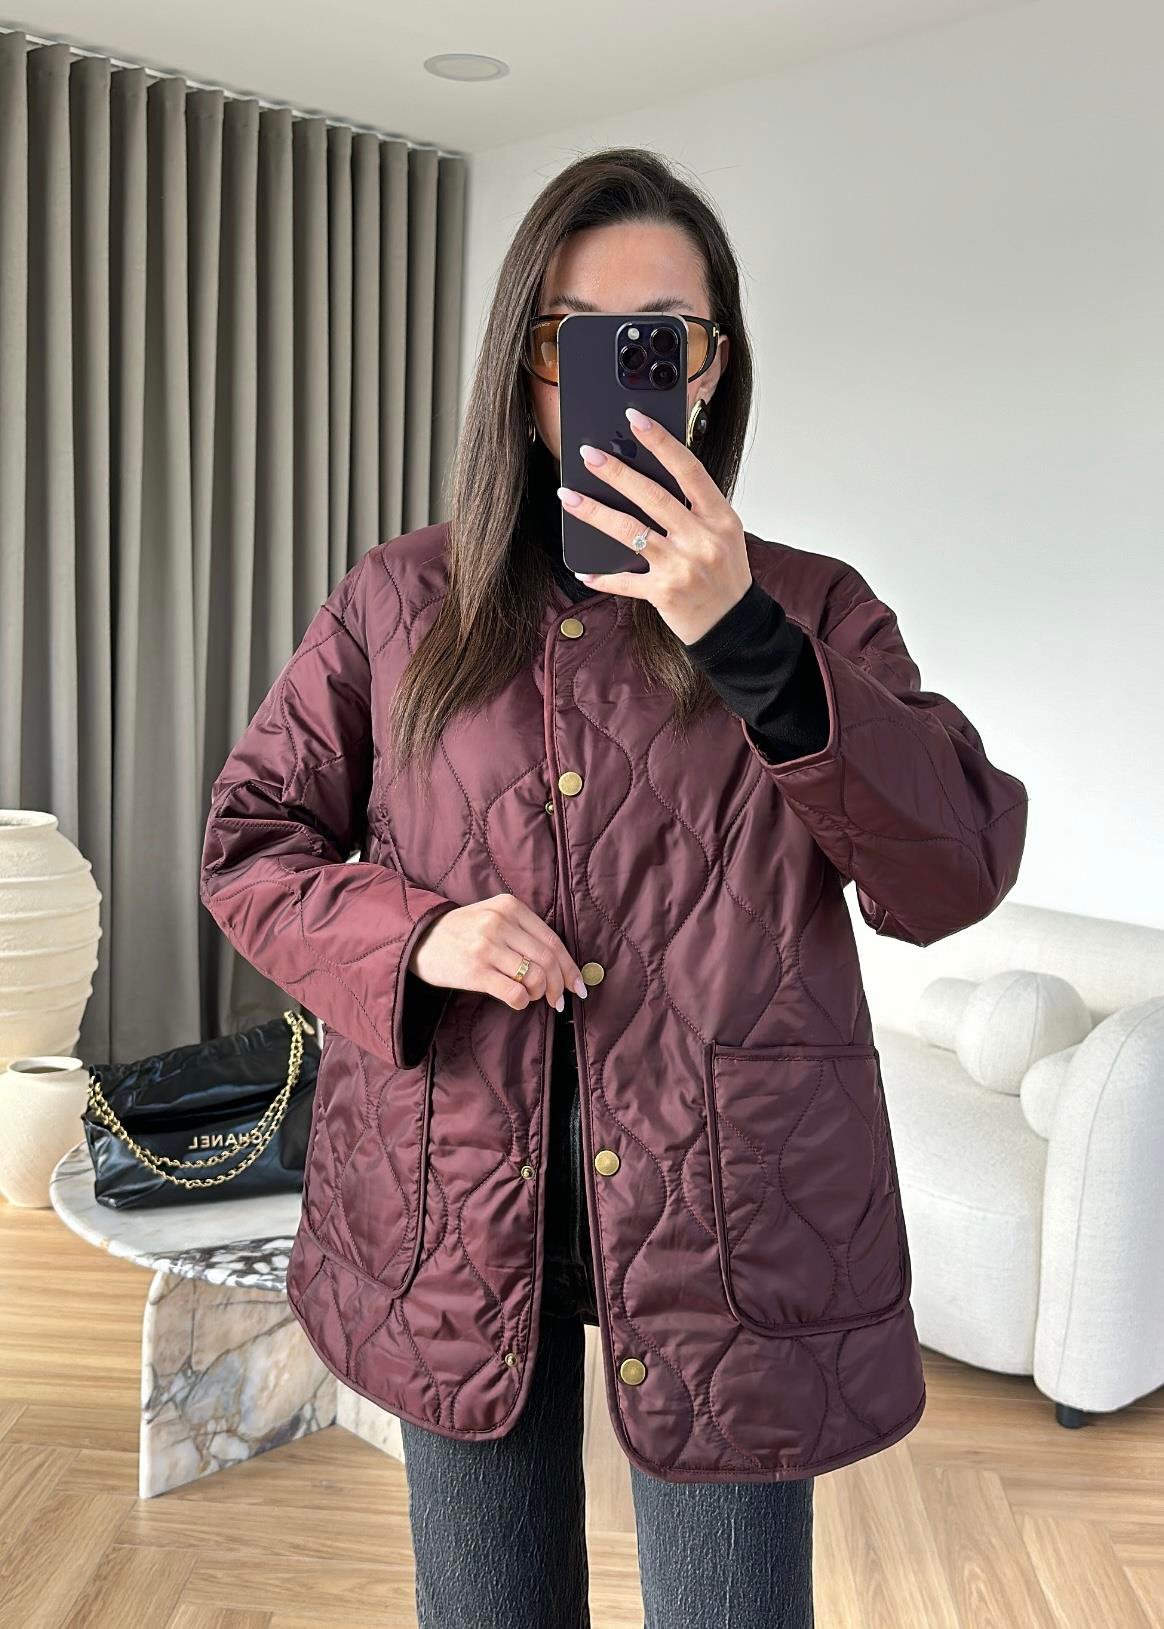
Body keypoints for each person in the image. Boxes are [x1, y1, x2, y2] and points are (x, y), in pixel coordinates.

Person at [200, 147, 1029, 1629]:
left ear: (712, 370)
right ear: (525, 370)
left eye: (663, 338)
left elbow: (955, 866)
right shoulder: (399, 600)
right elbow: (251, 843)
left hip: (734, 1218)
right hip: (454, 1200)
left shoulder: (811, 605)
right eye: (576, 338)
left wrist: (747, 639)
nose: (620, 376)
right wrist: (420, 934)